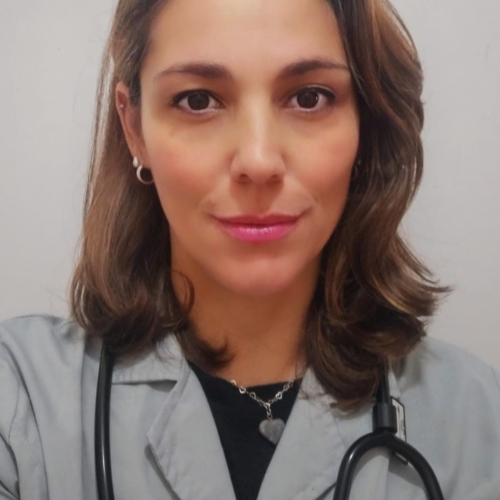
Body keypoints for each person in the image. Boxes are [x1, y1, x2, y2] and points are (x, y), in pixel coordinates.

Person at [1, 0, 499, 499]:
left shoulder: (477, 417)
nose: (259, 162)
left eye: (309, 98)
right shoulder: (19, 400)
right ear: (135, 129)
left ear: (366, 126)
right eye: (198, 100)